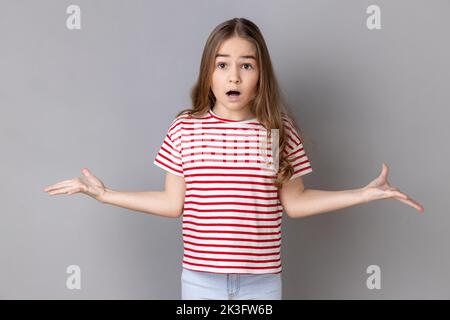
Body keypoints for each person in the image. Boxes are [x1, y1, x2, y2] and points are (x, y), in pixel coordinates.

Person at [43, 17, 424, 300]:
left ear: (261, 73)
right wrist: (105, 194)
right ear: (208, 71)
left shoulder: (277, 129)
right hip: (200, 281)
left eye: (247, 65)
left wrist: (362, 193)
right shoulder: (185, 129)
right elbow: (172, 202)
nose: (234, 77)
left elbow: (296, 201)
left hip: (262, 282)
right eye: (223, 64)